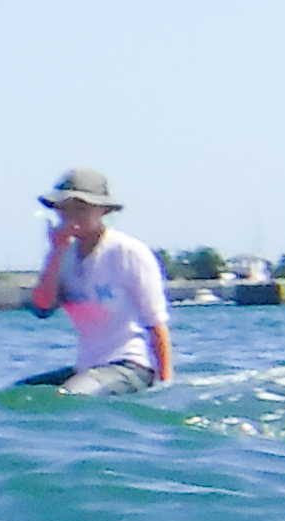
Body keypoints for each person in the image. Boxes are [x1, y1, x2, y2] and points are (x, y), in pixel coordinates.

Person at [19, 166, 173, 393]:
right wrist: (56, 252)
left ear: (103, 211)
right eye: (65, 209)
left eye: (81, 209)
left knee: (72, 394)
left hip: (130, 365)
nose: (72, 216)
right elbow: (42, 307)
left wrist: (166, 384)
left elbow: (156, 322)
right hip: (87, 367)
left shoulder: (128, 252)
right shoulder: (64, 256)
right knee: (22, 393)